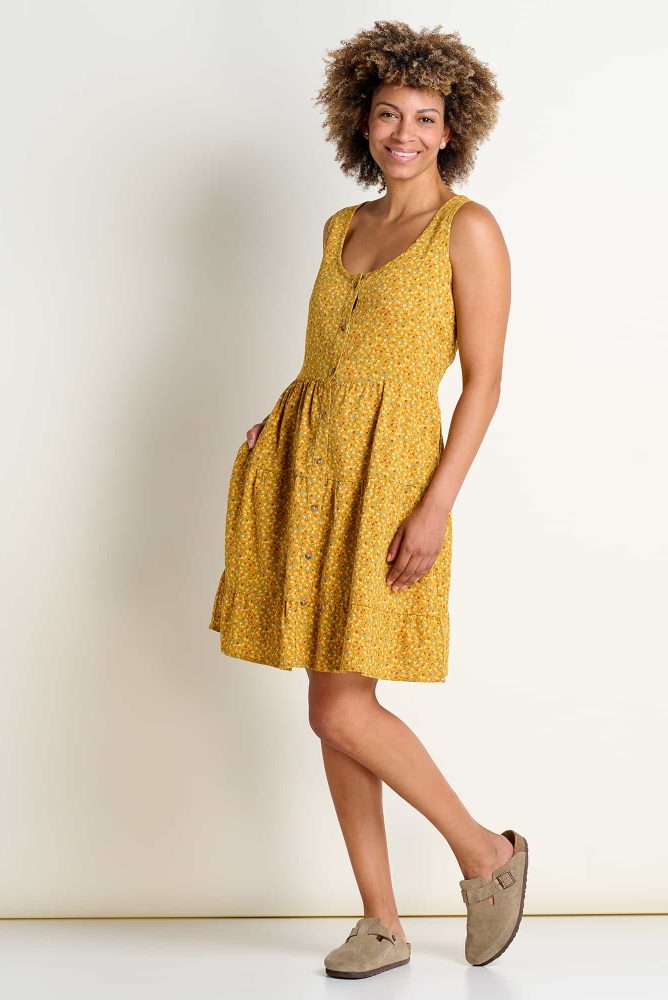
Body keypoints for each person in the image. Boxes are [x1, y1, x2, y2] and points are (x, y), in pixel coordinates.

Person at [209, 20, 525, 978]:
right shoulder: (340, 228)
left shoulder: (469, 229)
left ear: (451, 129)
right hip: (309, 468)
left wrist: (436, 505)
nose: (404, 133)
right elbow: (330, 359)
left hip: (393, 480)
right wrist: (280, 424)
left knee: (341, 709)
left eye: (424, 117)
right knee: (332, 702)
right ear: (362, 120)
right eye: (389, 113)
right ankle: (381, 921)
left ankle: (485, 854)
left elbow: (483, 382)